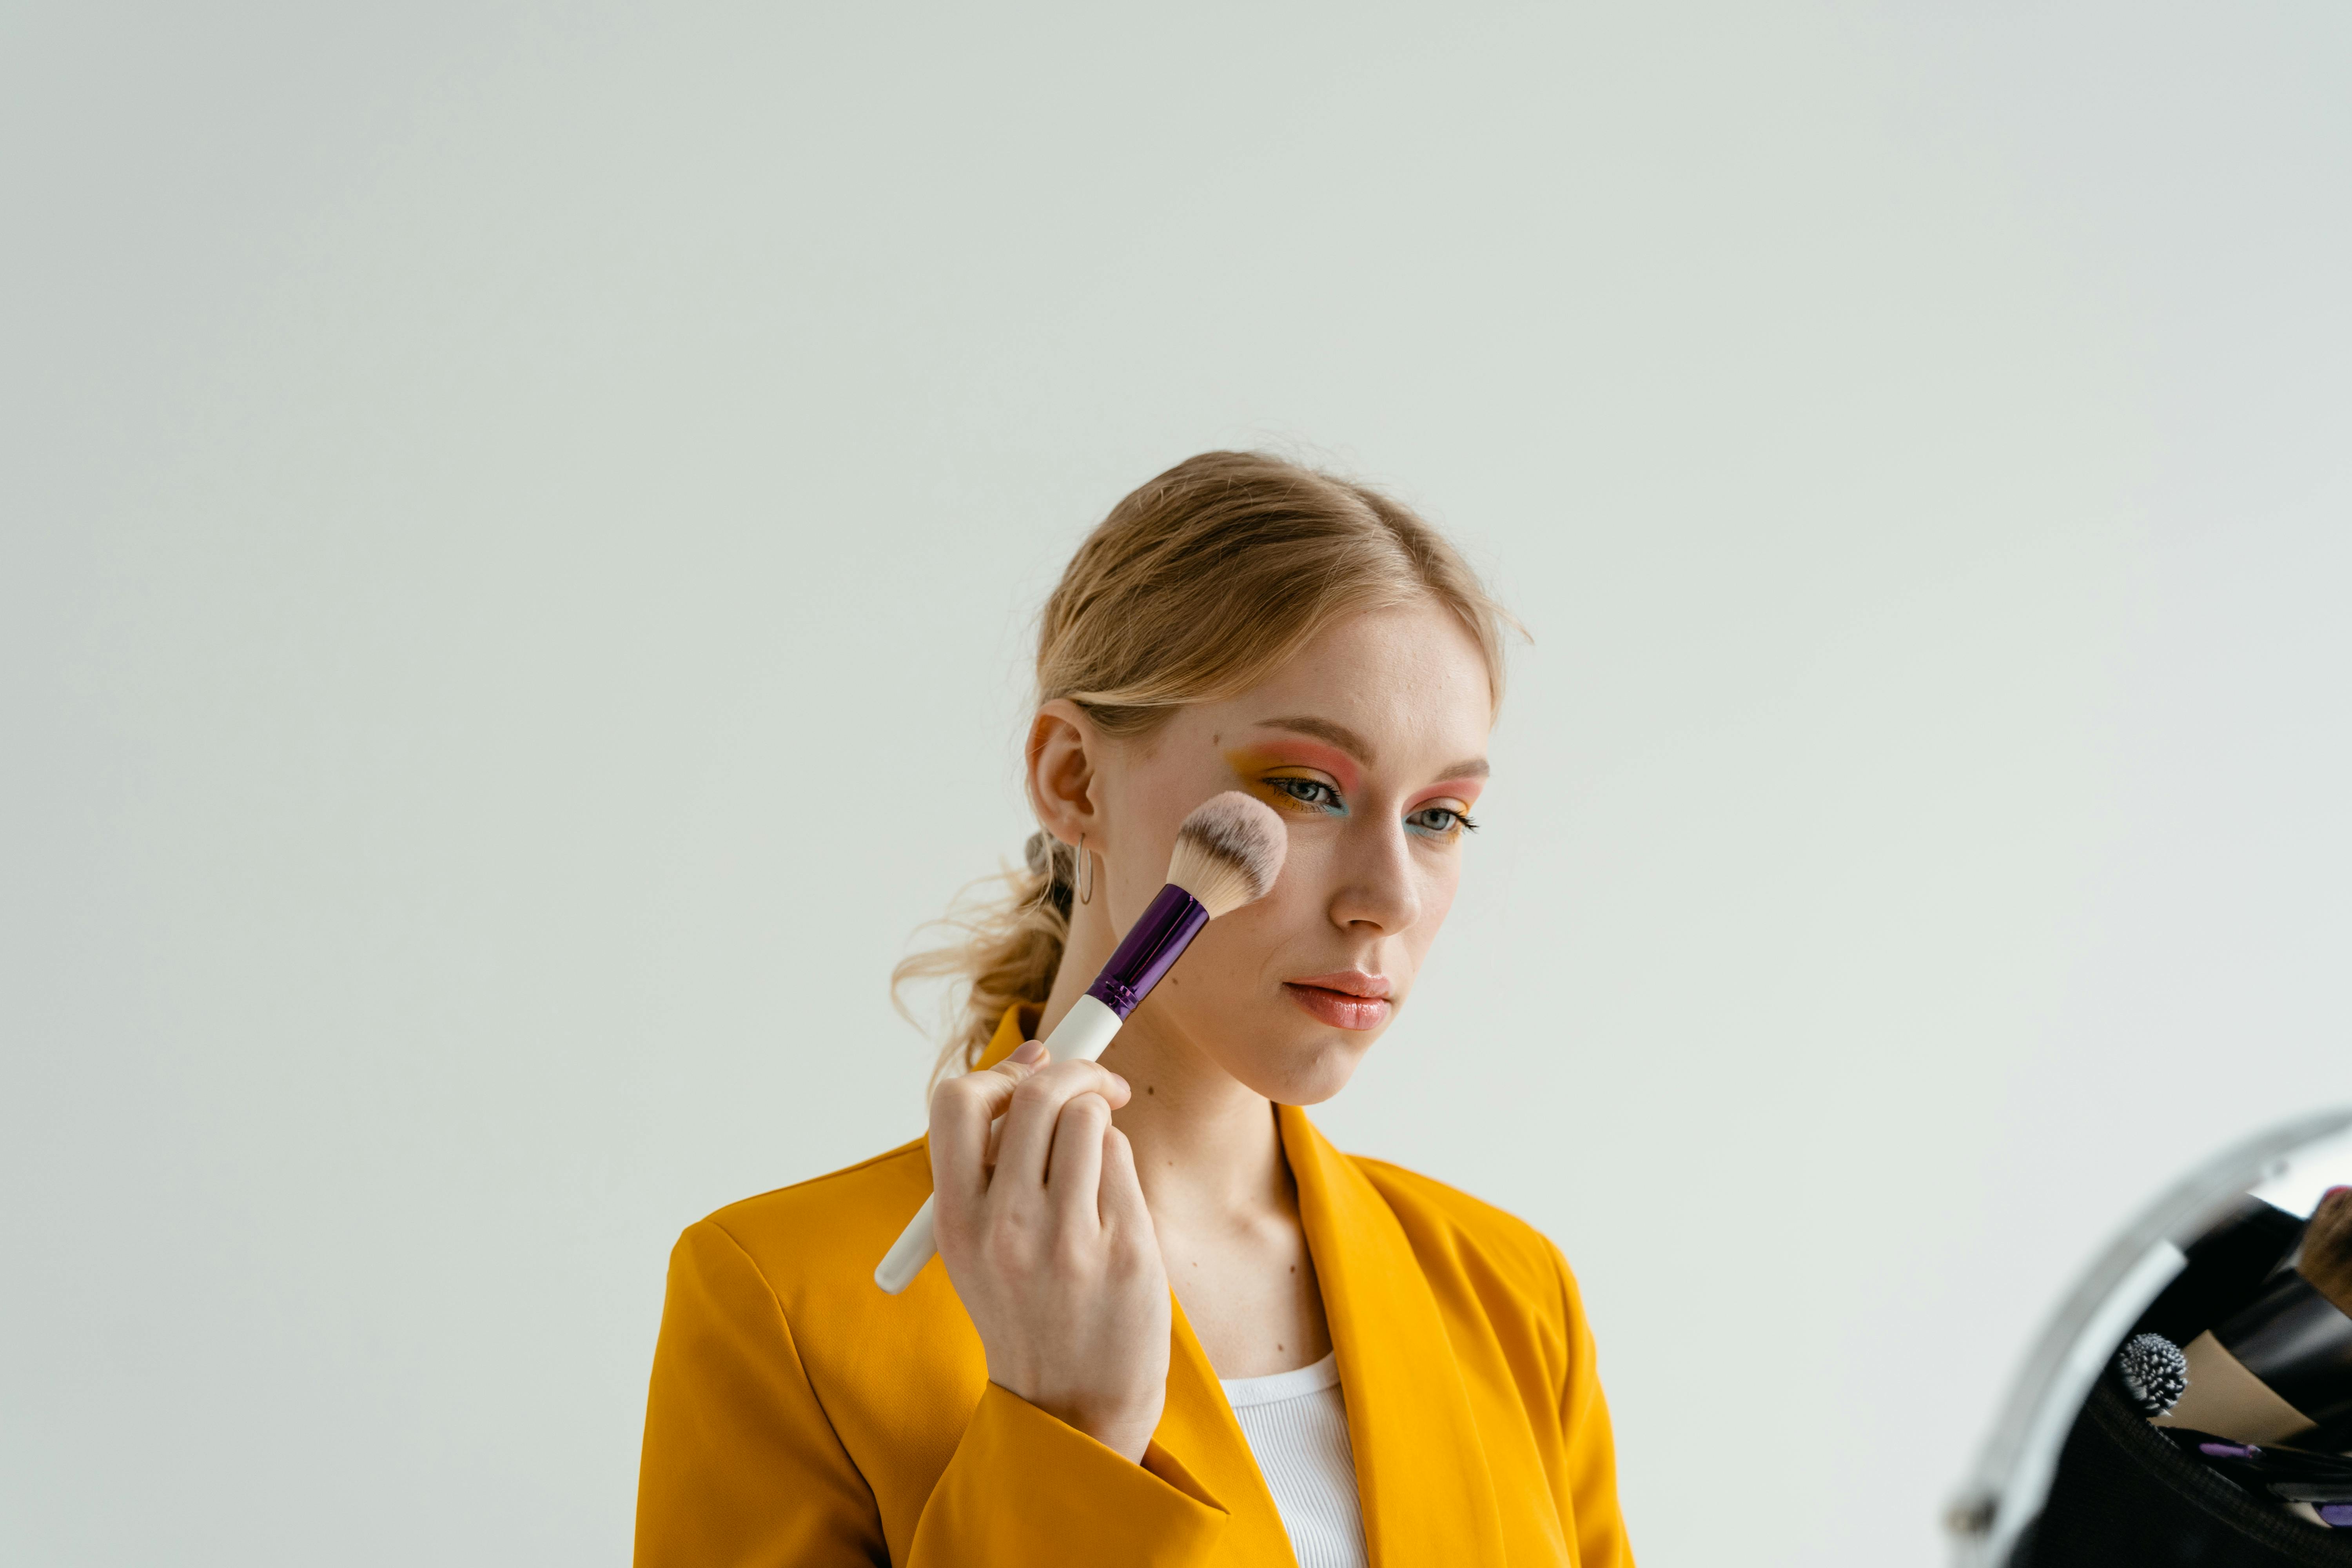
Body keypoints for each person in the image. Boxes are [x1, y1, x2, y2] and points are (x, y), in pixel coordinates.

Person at [633, 452, 1635, 1566]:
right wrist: (1065, 1436)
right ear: (1073, 778)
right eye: (1307, 789)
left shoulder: (1507, 1295)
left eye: (1442, 817)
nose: (1387, 900)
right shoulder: (786, 1301)